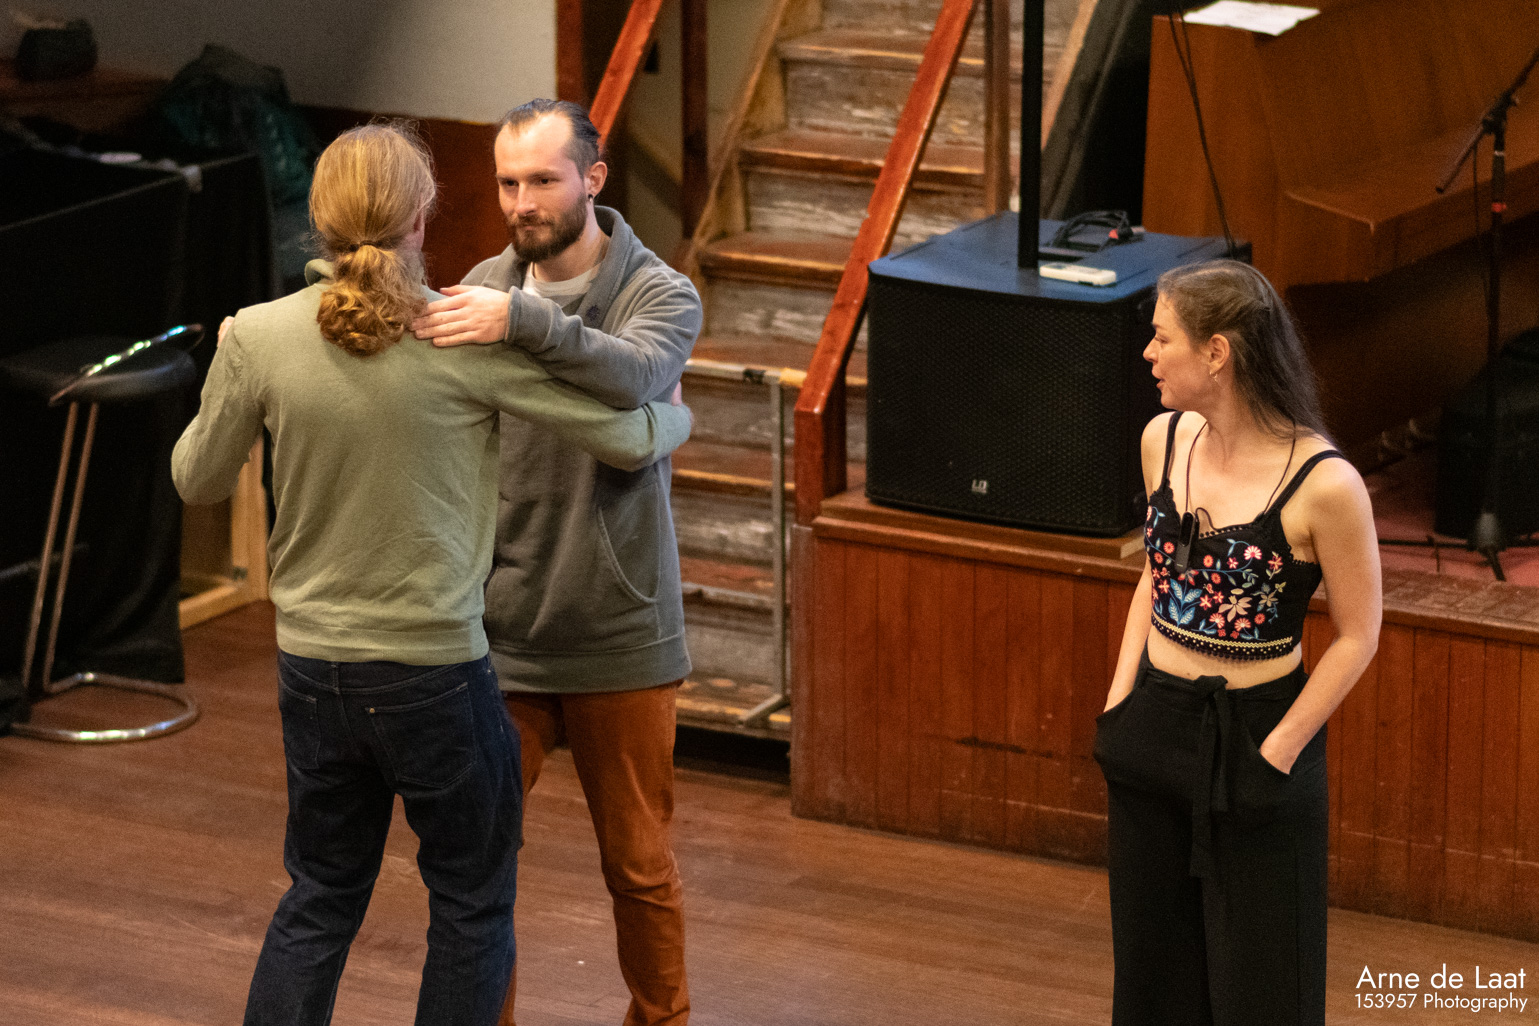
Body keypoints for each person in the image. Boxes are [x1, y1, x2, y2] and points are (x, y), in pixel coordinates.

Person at [170, 122, 693, 1026]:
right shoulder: (459, 335)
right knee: (470, 905)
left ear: (319, 219)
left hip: (312, 672)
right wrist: (676, 418)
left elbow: (196, 480)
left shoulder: (257, 334)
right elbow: (623, 435)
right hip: (435, 674)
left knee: (319, 895)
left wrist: (231, 361)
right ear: (422, 217)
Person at [410, 98, 699, 1026]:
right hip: (500, 630)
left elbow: (632, 378)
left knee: (639, 867)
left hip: (620, 631)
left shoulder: (660, 292)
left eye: (542, 179)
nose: (521, 202)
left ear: (593, 180)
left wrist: (524, 325)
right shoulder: (482, 288)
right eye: (507, 182)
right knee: (476, 866)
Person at [1092, 260, 1381, 1026]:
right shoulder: (1162, 439)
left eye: (1162, 338)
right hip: (1153, 722)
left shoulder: (1324, 484)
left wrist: (1277, 750)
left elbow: (1359, 634)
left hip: (1257, 738)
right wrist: (1120, 702)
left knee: (1264, 988)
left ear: (1215, 352)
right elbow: (1155, 576)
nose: (1148, 353)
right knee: (1152, 981)